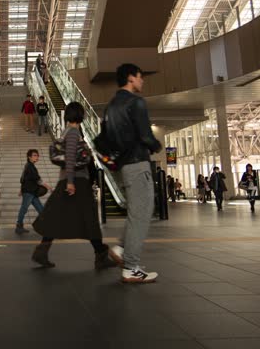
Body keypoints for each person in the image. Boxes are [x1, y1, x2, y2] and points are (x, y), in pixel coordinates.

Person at [31, 102, 113, 271]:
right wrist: (70, 181)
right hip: (77, 181)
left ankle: (42, 251)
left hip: (68, 180)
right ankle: (101, 256)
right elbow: (69, 158)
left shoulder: (66, 131)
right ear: (80, 115)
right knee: (89, 218)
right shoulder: (74, 132)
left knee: (55, 216)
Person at [103, 63, 163, 283]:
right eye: (140, 76)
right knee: (142, 214)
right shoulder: (135, 102)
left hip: (122, 167)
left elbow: (105, 139)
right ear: (131, 78)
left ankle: (120, 249)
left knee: (136, 212)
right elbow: (146, 135)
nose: (142, 80)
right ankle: (131, 267)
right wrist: (156, 146)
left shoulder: (110, 106)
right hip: (138, 163)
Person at [16, 149, 52, 234]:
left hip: (32, 192)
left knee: (40, 209)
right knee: (24, 209)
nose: (37, 157)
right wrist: (49, 187)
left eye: (37, 155)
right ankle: (19, 226)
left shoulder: (28, 166)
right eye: (35, 155)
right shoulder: (30, 166)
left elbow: (23, 179)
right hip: (29, 192)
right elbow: (38, 180)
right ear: (29, 157)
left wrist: (21, 189)